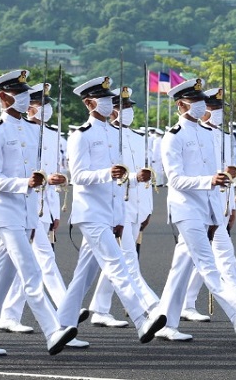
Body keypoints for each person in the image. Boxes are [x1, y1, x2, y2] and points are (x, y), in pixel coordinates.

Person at [0, 71, 76, 357]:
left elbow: (35, 171)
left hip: (27, 212)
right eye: (19, 92)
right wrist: (24, 183)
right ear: (3, 97)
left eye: (26, 91)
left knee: (1, 279)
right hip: (5, 211)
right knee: (31, 271)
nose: (27, 97)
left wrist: (45, 181)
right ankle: (53, 330)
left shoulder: (32, 130)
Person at [57, 76, 167, 344]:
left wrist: (128, 186)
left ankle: (61, 325)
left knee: (84, 276)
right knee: (118, 265)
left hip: (111, 212)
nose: (109, 104)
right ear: (89, 102)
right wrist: (108, 174)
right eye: (104, 100)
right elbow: (79, 176)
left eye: (110, 100)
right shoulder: (80, 135)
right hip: (91, 212)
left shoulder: (114, 134)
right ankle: (142, 320)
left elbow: (117, 179)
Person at [156, 78, 236, 339]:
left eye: (203, 101)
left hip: (207, 209)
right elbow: (175, 180)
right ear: (181, 104)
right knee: (208, 265)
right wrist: (209, 180)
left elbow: (215, 176)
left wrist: (216, 214)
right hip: (185, 208)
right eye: (196, 101)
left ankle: (165, 323)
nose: (202, 106)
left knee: (180, 269)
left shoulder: (208, 134)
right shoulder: (172, 137)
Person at [90, 86, 160, 332]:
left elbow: (147, 175)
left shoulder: (140, 138)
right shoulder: (108, 137)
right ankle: (152, 309)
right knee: (127, 261)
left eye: (129, 107)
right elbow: (111, 175)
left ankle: (100, 308)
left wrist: (147, 208)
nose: (126, 111)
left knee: (117, 262)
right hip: (117, 206)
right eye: (121, 107)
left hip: (137, 206)